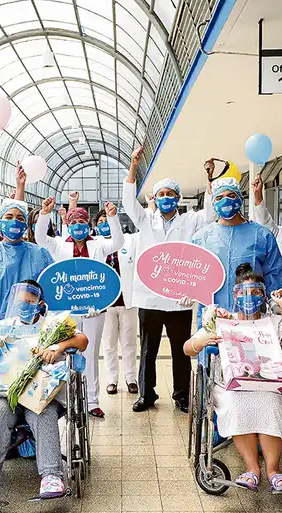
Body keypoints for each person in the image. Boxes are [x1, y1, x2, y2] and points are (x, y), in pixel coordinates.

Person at [0, 282, 89, 501]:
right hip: (5, 392)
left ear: (40, 304)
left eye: (30, 301)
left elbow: (82, 340)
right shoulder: (4, 326)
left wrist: (58, 347)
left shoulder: (52, 325)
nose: (25, 305)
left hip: (40, 394)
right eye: (21, 301)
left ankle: (52, 476)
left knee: (43, 413)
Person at [182, 268, 282, 491]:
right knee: (236, 404)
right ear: (235, 295)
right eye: (243, 293)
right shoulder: (223, 320)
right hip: (231, 386)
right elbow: (187, 348)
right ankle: (252, 468)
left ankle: (273, 470)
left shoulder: (272, 321)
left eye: (256, 292)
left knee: (271, 404)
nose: (249, 297)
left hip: (269, 385)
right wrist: (203, 340)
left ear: (264, 295)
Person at [122, 146, 216, 412]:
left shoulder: (189, 222)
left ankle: (182, 395)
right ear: (155, 197)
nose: (166, 198)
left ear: (178, 198)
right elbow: (128, 203)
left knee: (180, 349)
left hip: (179, 300)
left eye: (170, 194)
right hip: (149, 298)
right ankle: (146, 395)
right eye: (161, 194)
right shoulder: (145, 220)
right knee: (148, 350)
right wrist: (133, 165)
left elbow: (210, 214)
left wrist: (209, 179)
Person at [34, 192, 124, 418]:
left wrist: (113, 218)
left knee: (91, 353)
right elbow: (40, 238)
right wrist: (44, 214)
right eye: (73, 222)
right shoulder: (58, 245)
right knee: (64, 353)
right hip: (66, 311)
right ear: (68, 224)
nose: (78, 226)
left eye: (82, 221)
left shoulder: (99, 245)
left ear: (88, 224)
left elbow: (118, 242)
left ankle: (92, 401)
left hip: (94, 310)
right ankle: (66, 400)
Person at [190, 177, 282, 321]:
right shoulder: (200, 238)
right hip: (213, 317)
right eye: (219, 198)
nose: (226, 201)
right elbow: (191, 275)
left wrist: (276, 304)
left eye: (231, 196)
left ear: (240, 198)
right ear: (213, 203)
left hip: (253, 315)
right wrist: (187, 293)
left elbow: (273, 275)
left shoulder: (262, 235)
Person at [0, 200, 54, 321]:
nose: (14, 221)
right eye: (9, 217)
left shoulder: (41, 254)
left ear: (25, 225)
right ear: (0, 222)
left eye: (20, 218)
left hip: (33, 324)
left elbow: (52, 289)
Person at [98, 211, 140, 398]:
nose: (105, 224)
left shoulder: (128, 240)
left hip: (127, 301)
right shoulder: (96, 244)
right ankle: (111, 380)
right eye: (101, 221)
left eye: (107, 220)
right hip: (106, 304)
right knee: (109, 344)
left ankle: (131, 378)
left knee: (129, 342)